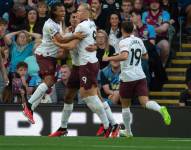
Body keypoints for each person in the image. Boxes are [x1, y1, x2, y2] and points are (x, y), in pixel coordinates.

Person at [49, 6, 119, 138]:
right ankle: (63, 128)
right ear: (70, 20)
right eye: (73, 17)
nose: (75, 17)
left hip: (86, 65)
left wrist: (56, 42)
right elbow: (67, 50)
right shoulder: (80, 28)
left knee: (91, 96)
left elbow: (71, 45)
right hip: (77, 67)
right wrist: (95, 45)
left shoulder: (81, 28)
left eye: (78, 15)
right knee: (68, 96)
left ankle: (110, 124)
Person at [103, 21, 171, 137]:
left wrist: (108, 58)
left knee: (125, 106)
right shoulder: (139, 40)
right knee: (145, 102)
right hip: (140, 76)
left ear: (122, 29)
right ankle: (160, 109)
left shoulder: (123, 42)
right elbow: (146, 56)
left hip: (127, 77)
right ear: (132, 29)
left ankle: (128, 132)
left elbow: (124, 56)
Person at [21, 2, 84, 124]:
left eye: (64, 11)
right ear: (54, 12)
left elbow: (60, 37)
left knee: (48, 83)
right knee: (49, 81)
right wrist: (74, 35)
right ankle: (28, 105)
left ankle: (31, 108)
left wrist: (69, 33)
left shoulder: (57, 23)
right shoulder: (50, 24)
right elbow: (60, 39)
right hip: (44, 55)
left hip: (52, 56)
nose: (63, 13)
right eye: (61, 11)